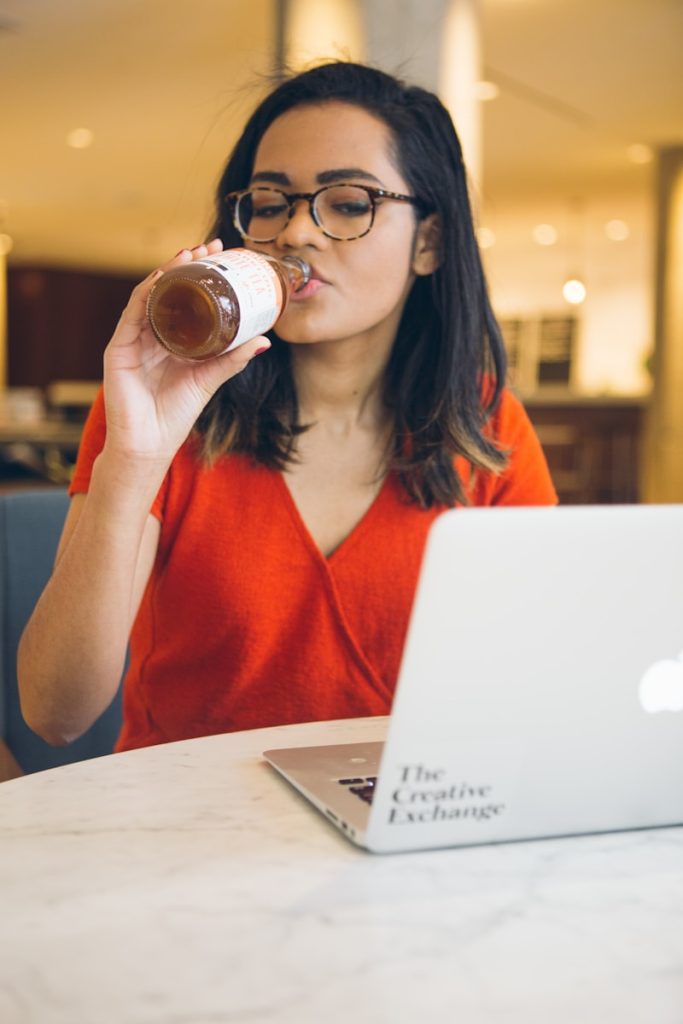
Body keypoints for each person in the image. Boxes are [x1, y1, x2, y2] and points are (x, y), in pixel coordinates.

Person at [18, 61, 557, 752]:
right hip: (185, 826)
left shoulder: (484, 426)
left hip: (397, 825)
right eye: (271, 203)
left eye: (348, 203)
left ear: (428, 241)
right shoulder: (167, 408)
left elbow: (535, 679)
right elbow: (54, 712)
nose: (297, 233)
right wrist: (134, 459)